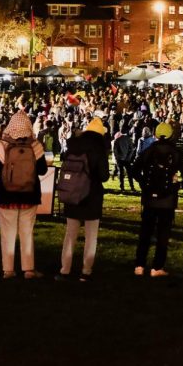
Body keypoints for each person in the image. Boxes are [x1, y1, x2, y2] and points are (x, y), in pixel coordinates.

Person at [0, 111, 48, 279]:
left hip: (6, 196)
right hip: (29, 196)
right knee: (27, 233)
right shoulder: (35, 145)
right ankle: (28, 269)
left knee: (7, 234)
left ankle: (8, 270)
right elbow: (43, 170)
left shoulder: (2, 145)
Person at [131, 122, 183, 277]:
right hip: (168, 199)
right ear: (171, 134)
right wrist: (178, 185)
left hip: (149, 198)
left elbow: (134, 169)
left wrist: (144, 184)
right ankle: (157, 267)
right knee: (163, 234)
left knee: (145, 232)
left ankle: (139, 265)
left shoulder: (148, 151)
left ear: (156, 134)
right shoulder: (175, 152)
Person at [58, 117, 109, 281]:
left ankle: (65, 269)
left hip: (72, 193)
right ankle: (85, 271)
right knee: (91, 236)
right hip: (91, 195)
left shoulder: (74, 145)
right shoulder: (99, 149)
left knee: (70, 234)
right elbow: (104, 176)